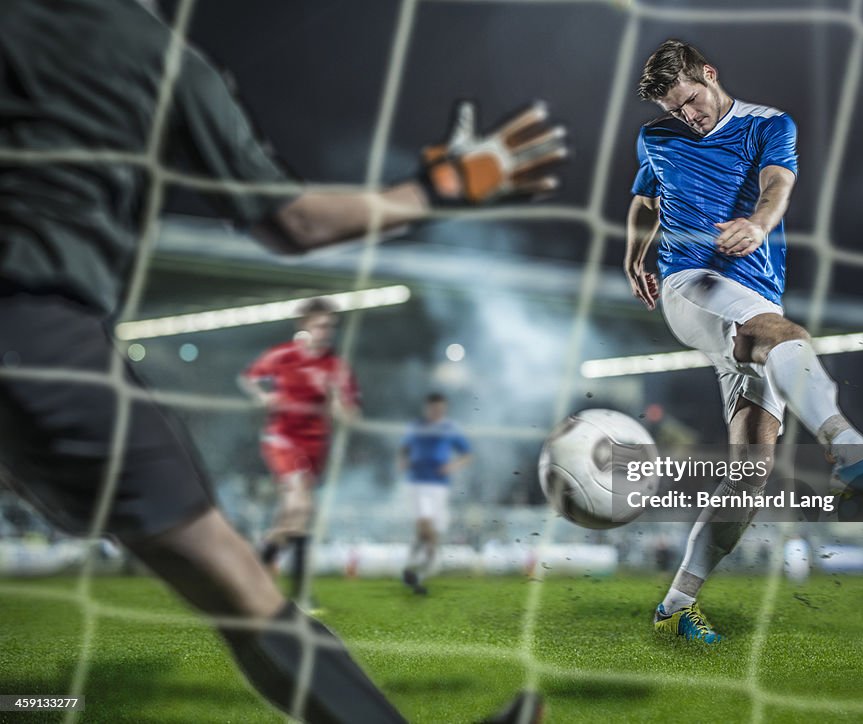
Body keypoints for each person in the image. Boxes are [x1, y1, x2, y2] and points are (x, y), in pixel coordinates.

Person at [0, 1, 564, 721]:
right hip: (39, 336)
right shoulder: (157, 54)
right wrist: (437, 188)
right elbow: (296, 223)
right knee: (235, 582)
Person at [623, 39, 863, 644]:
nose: (686, 116)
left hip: (752, 294)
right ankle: (852, 456)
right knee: (785, 337)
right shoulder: (656, 139)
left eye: (689, 100)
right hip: (692, 283)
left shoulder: (769, 125)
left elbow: (777, 186)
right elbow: (644, 199)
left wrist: (758, 224)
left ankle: (674, 609)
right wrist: (635, 247)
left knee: (750, 475)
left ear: (709, 75)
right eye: (675, 109)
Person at [240, 298, 360, 607]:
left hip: (316, 446)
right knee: (301, 506)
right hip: (281, 439)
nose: (326, 331)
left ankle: (255, 567)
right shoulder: (283, 355)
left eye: (331, 326)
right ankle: (302, 594)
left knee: (294, 517)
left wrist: (339, 406)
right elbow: (248, 378)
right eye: (321, 325)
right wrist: (263, 396)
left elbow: (352, 415)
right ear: (305, 326)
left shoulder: (336, 366)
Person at [399, 392, 472, 595]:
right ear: (427, 408)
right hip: (418, 483)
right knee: (426, 526)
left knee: (429, 534)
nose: (436, 412)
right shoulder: (416, 426)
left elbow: (467, 454)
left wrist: (453, 466)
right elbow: (404, 448)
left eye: (440, 409)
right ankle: (420, 572)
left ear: (444, 409)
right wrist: (403, 460)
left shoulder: (450, 428)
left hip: (439, 486)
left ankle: (412, 569)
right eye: (433, 409)